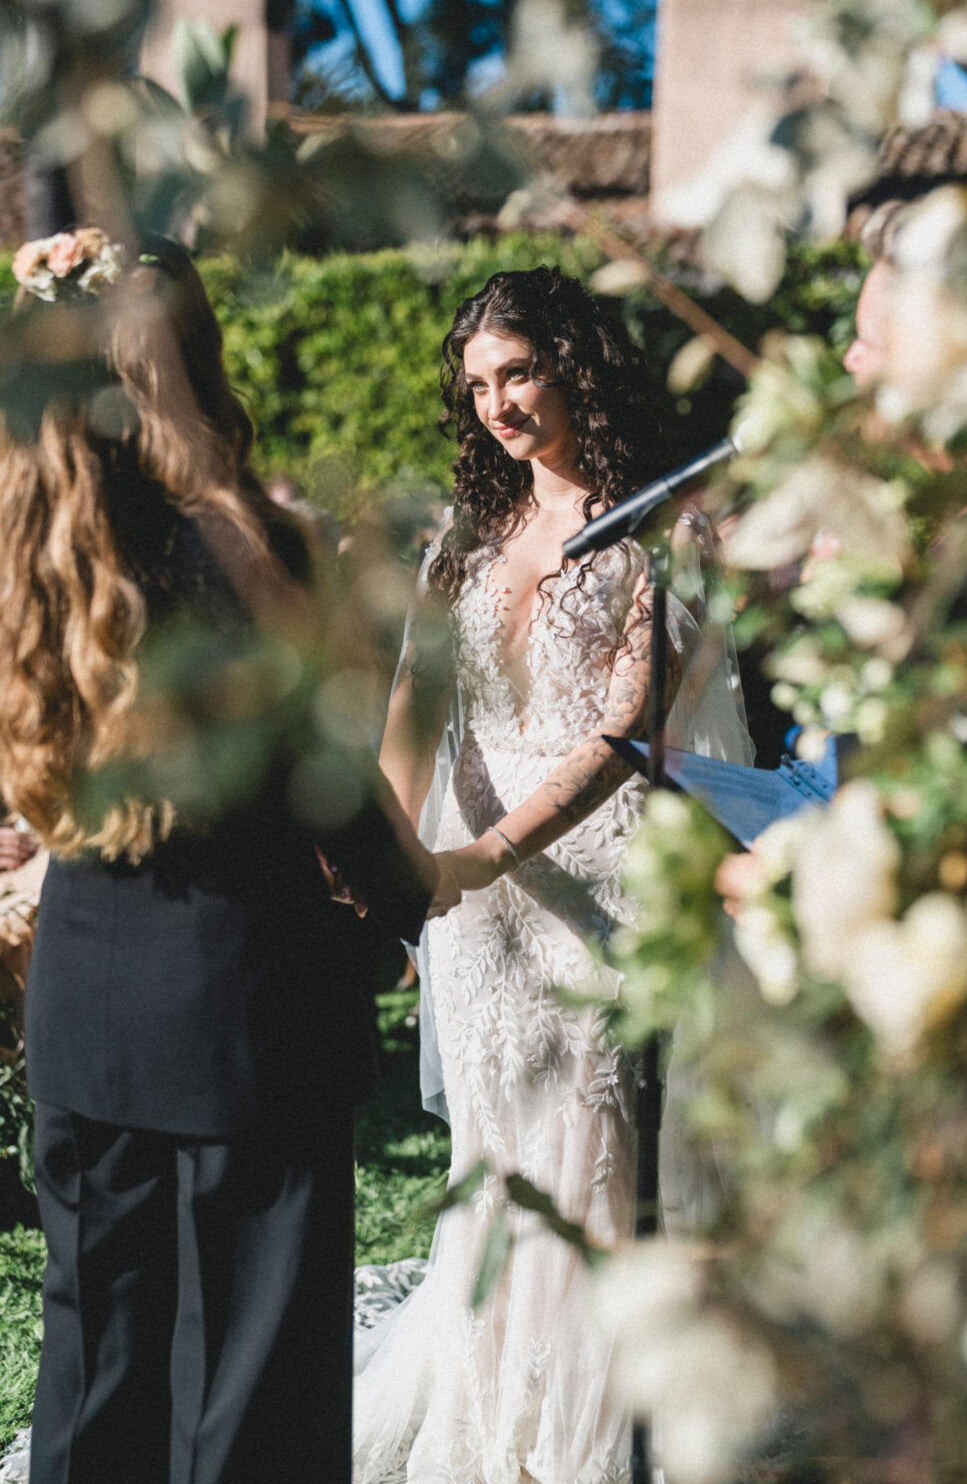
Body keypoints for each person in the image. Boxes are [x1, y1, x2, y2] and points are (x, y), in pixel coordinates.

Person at [0, 230, 454, 1484]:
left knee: (94, 1373)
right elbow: (323, 776)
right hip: (245, 1002)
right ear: (194, 357)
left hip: (83, 1004)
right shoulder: (245, 540)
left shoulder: (25, 550)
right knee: (250, 1384)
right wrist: (417, 885)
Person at [357, 267, 752, 1481]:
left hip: (597, 888)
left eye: (518, 372)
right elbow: (413, 700)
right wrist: (391, 856)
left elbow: (625, 727)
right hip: (469, 902)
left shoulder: (659, 530)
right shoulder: (467, 534)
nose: (497, 404)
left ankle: (581, 1440)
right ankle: (494, 1415)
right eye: (477, 384)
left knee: (584, 1170)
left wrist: (478, 855)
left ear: (573, 366)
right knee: (494, 1159)